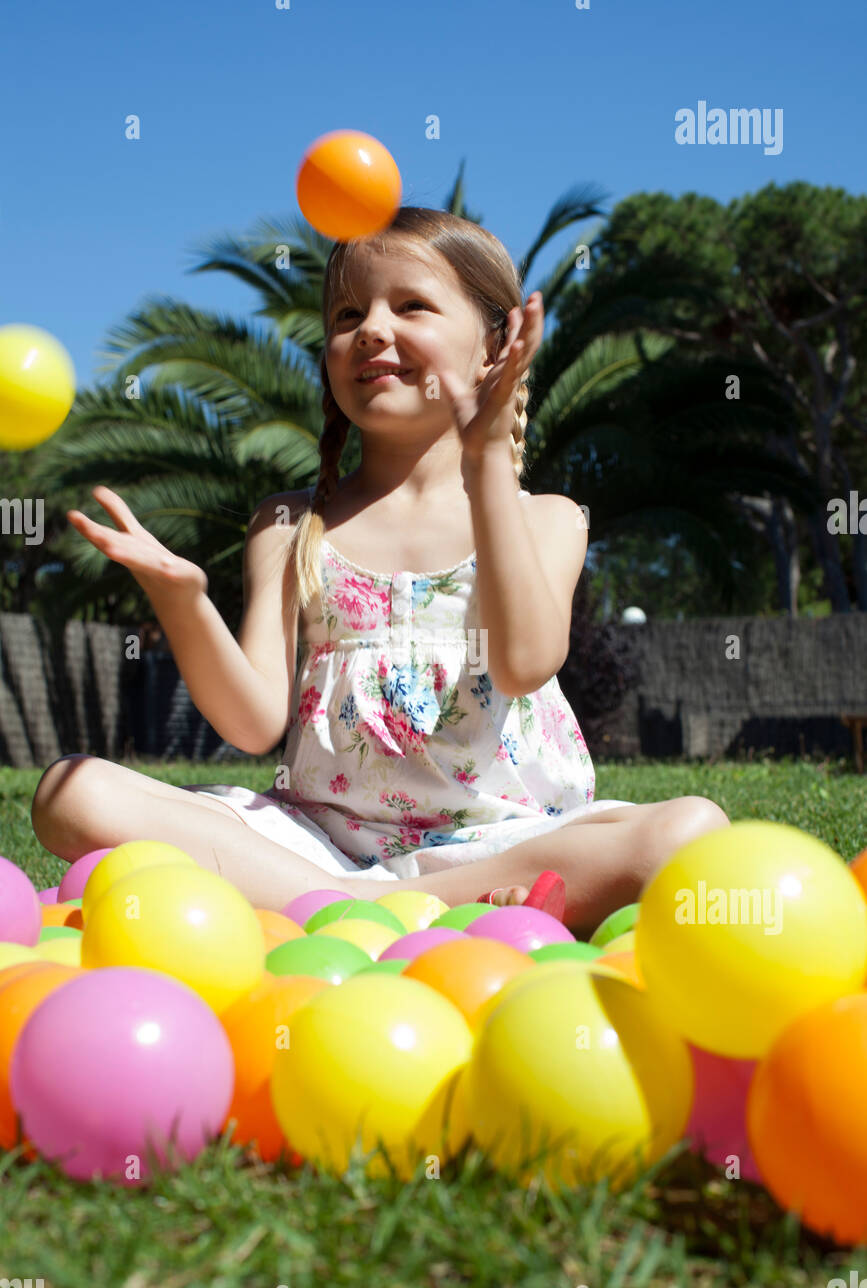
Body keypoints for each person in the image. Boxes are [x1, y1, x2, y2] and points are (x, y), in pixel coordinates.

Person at [31, 208, 728, 933]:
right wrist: (184, 600)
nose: (370, 329)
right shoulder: (288, 523)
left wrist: (487, 460)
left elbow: (523, 662)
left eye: (412, 306)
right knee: (71, 792)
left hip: (504, 844)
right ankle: (382, 909)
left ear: (494, 346)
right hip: (317, 848)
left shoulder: (544, 518)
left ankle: (350, 913)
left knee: (690, 830)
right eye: (347, 313)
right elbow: (251, 722)